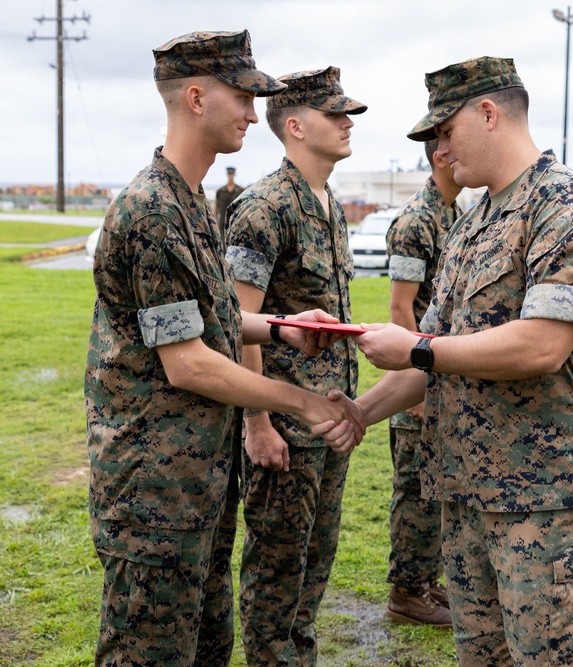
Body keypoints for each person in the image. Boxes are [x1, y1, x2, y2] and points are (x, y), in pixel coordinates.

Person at [85, 32, 363, 667]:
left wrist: (279, 328)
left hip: (199, 482)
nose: (250, 111)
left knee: (206, 647)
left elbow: (204, 321)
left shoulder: (188, 201)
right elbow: (186, 362)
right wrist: (298, 401)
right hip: (154, 488)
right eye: (241, 96)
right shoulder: (152, 210)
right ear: (193, 98)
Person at [352, 56, 573, 666]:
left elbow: (542, 345)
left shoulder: (567, 207)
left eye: (445, 132)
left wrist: (419, 348)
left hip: (547, 505)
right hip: (468, 496)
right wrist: (357, 414)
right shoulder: (473, 224)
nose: (441, 152)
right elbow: (437, 359)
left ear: (488, 113)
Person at [224, 65, 367, 666]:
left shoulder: (329, 204)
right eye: (334, 113)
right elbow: (238, 323)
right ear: (295, 126)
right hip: (285, 421)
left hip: (330, 416)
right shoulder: (264, 207)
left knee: (316, 561)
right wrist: (258, 423)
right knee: (277, 567)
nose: (346, 122)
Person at [382, 138, 463, 627]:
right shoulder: (417, 220)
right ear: (440, 156)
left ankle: (427, 581)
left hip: (439, 365)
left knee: (434, 485)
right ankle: (407, 591)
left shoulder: (455, 211)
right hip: (421, 369)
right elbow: (400, 306)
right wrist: (416, 379)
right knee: (414, 485)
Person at [215, 165, 244, 235]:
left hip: (236, 222)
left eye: (232, 174)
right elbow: (216, 208)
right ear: (227, 175)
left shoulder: (240, 191)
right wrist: (215, 222)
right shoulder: (220, 191)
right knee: (222, 243)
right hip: (223, 222)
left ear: (234, 175)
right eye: (229, 174)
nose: (230, 176)